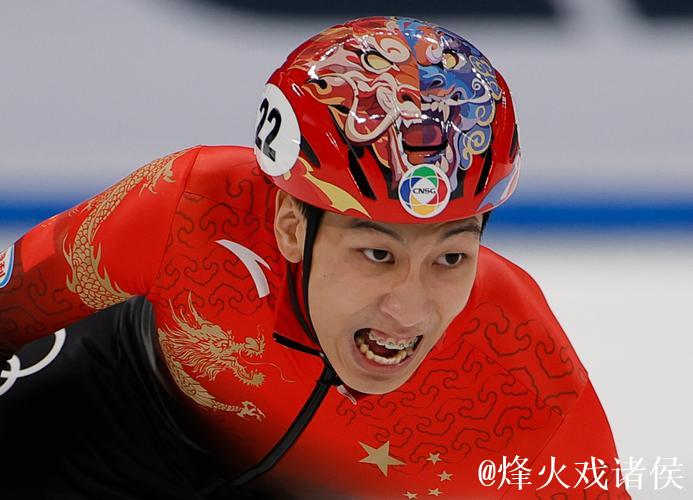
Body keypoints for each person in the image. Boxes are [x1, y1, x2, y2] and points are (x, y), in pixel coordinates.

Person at [0, 16, 629, 499]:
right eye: (377, 253)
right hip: (94, 425)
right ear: (291, 225)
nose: (409, 309)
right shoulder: (192, 208)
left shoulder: (524, 370)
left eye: (451, 258)